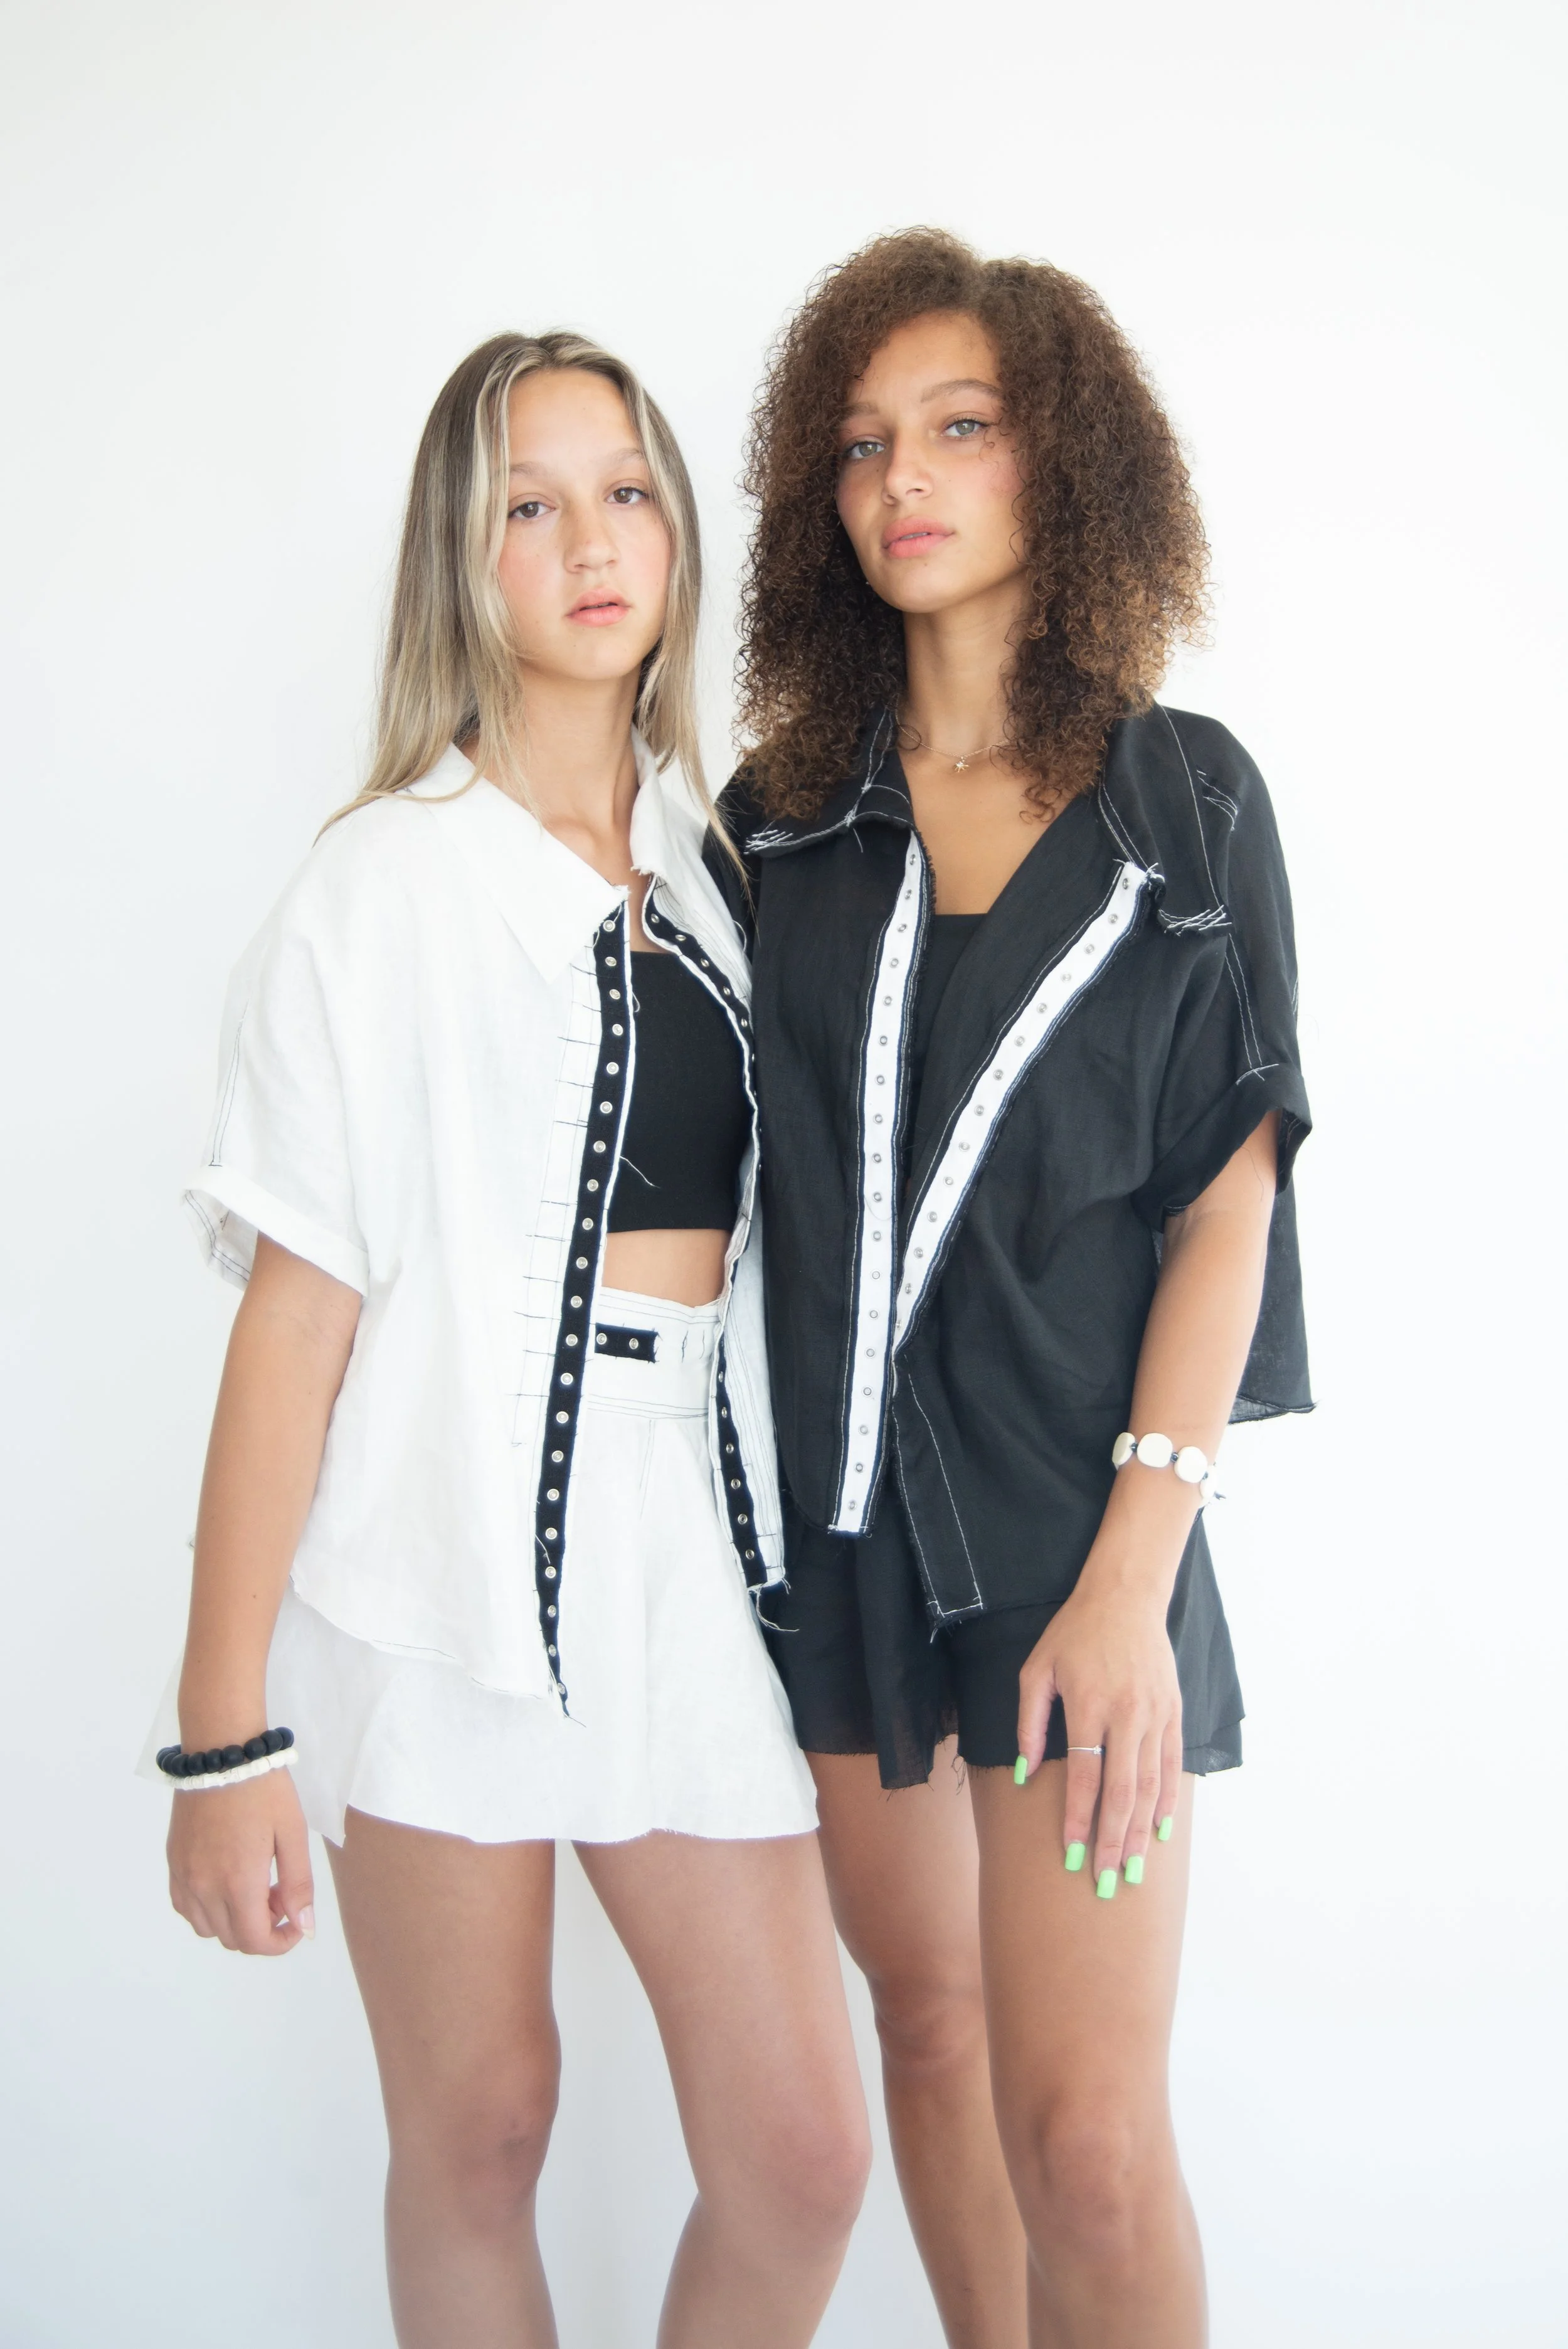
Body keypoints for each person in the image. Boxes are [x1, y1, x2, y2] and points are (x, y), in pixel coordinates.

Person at [153, 330, 870, 2349]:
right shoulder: (380, 886)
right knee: (480, 2131)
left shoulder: (719, 871)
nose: (589, 542)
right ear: (458, 561)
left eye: (624, 491)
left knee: (801, 2156)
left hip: (688, 1563)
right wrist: (221, 1737)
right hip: (435, 1564)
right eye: (528, 506)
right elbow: (296, 1324)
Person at [725, 231, 1311, 2349]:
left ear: (1061, 458)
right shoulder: (781, 828)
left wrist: (1129, 1585)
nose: (903, 478)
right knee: (930, 2036)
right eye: (861, 442)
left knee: (1087, 2146)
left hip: (1086, 1534)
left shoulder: (1185, 799)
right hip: (846, 1543)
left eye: (959, 427)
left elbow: (1228, 1209)